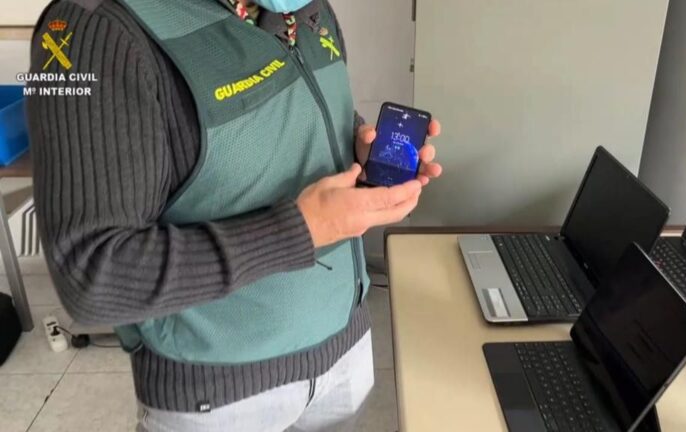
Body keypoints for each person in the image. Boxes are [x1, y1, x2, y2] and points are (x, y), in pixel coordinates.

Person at [26, 0, 441, 430]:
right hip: (219, 395)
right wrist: (300, 231)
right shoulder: (94, 28)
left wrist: (357, 149)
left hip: (343, 348)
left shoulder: (305, 8)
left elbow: (301, 112)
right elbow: (92, 276)